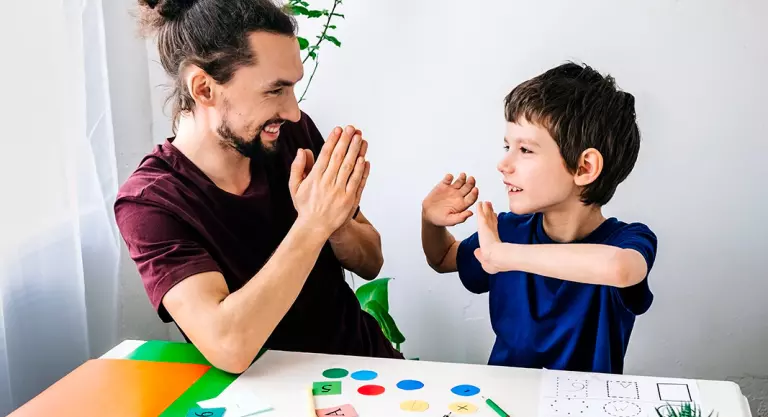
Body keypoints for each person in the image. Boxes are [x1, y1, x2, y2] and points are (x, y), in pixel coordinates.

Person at [115, 0, 402, 374]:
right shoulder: (151, 203)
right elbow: (228, 346)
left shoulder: (291, 136)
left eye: (293, 88)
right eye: (275, 90)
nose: (293, 111)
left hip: (368, 370)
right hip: (267, 398)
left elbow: (370, 261)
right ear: (204, 89)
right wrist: (313, 225)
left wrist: (338, 221)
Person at [421, 62, 657, 374]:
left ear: (584, 167)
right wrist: (430, 221)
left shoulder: (628, 241)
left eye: (526, 150)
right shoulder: (506, 230)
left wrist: (504, 255)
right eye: (507, 146)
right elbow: (442, 257)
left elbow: (620, 269)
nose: (503, 163)